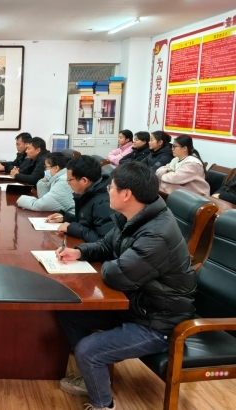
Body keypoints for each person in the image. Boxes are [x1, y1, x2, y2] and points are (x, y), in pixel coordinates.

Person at [56, 162, 196, 410]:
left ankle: (103, 405)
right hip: (137, 307)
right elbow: (106, 245)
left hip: (159, 323)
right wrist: (79, 252)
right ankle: (94, 377)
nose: (107, 191)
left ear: (126, 194)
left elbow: (115, 276)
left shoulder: (156, 234)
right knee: (70, 314)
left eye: (111, 187)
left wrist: (108, 263)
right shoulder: (134, 216)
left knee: (89, 350)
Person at [46, 155, 114, 243]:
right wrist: (66, 218)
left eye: (69, 180)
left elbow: (105, 241)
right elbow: (87, 222)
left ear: (84, 181)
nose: (68, 183)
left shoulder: (103, 203)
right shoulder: (89, 192)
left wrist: (72, 228)